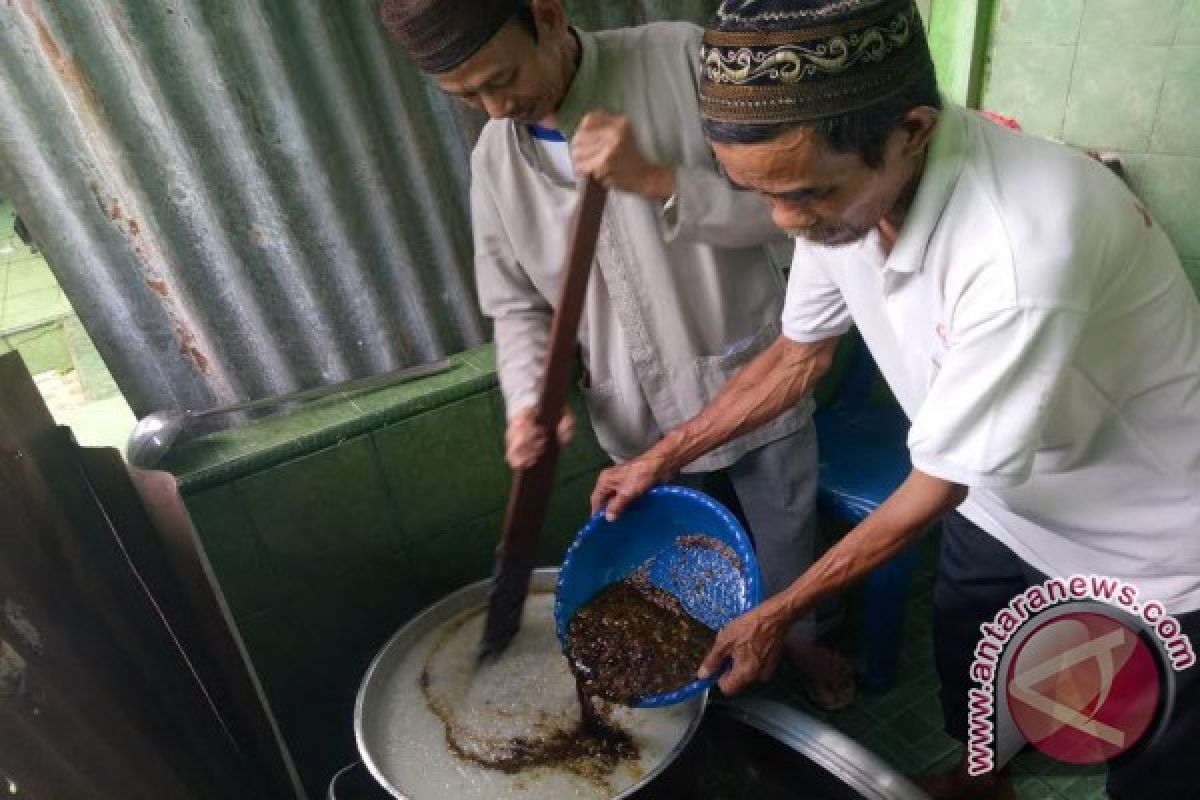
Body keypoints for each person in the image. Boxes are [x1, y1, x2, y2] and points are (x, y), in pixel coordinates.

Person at [589, 0, 1200, 798]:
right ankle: (981, 786)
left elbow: (937, 484)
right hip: (1006, 500)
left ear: (912, 130)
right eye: (761, 194)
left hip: (1152, 542)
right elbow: (799, 356)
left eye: (805, 195)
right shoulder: (841, 199)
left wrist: (779, 610)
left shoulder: (1020, 248)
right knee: (985, 679)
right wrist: (660, 458)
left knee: (1152, 757)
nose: (785, 222)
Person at [378, 0, 855, 708]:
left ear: (545, 14)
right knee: (681, 578)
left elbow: (796, 211)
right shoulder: (494, 163)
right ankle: (715, 697)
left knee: (788, 549)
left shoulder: (681, 59)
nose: (495, 106)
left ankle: (808, 654)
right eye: (467, 95)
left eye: (501, 77)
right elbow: (515, 305)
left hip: (749, 382)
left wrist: (661, 179)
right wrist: (527, 398)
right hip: (637, 419)